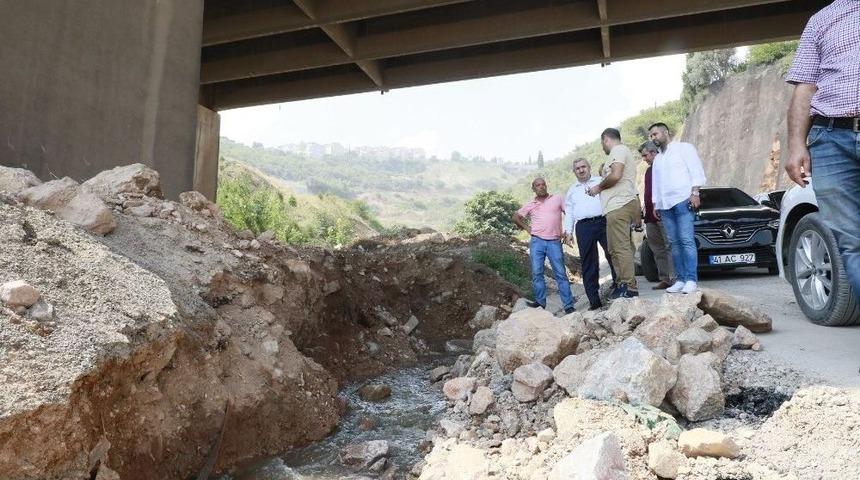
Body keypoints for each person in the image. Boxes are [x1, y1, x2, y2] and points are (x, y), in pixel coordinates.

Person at [785, 0, 860, 299]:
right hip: (830, 137)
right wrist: (795, 145)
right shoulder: (822, 19)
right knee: (851, 243)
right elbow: (805, 86)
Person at [648, 122, 707, 294]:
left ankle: (691, 280)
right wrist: (655, 203)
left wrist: (695, 193)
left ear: (666, 132)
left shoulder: (684, 148)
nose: (653, 138)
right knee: (674, 243)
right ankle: (680, 280)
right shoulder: (658, 159)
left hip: (683, 200)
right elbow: (656, 184)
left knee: (686, 240)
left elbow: (696, 170)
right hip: (665, 205)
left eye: (655, 134)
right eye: (651, 136)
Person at [585, 128, 641, 299]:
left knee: (621, 247)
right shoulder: (619, 152)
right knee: (614, 249)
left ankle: (629, 287)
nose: (603, 147)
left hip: (619, 205)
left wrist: (598, 187)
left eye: (602, 143)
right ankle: (622, 284)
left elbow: (616, 175)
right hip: (614, 207)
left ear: (606, 139)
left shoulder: (618, 150)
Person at [512, 178, 576, 314]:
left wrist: (567, 231)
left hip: (554, 242)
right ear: (533, 189)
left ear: (546, 186)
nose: (541, 187)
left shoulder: (557, 199)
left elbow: (570, 213)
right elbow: (515, 217)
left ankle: (568, 305)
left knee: (561, 274)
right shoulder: (531, 204)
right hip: (537, 242)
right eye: (538, 185)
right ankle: (540, 303)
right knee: (537, 273)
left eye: (543, 184)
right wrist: (528, 229)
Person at [563, 158, 617, 310]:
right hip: (583, 227)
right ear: (574, 172)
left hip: (603, 221)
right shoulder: (572, 190)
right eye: (577, 168)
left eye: (583, 167)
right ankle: (594, 300)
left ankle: (619, 286)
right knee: (588, 262)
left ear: (589, 167)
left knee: (613, 254)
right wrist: (568, 231)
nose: (581, 170)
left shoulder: (601, 181)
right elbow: (569, 213)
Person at [639, 141, 675, 289]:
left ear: (653, 152)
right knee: (657, 248)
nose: (644, 159)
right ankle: (665, 279)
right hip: (649, 216)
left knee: (670, 245)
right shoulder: (648, 171)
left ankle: (675, 278)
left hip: (663, 212)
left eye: (645, 155)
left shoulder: (666, 166)